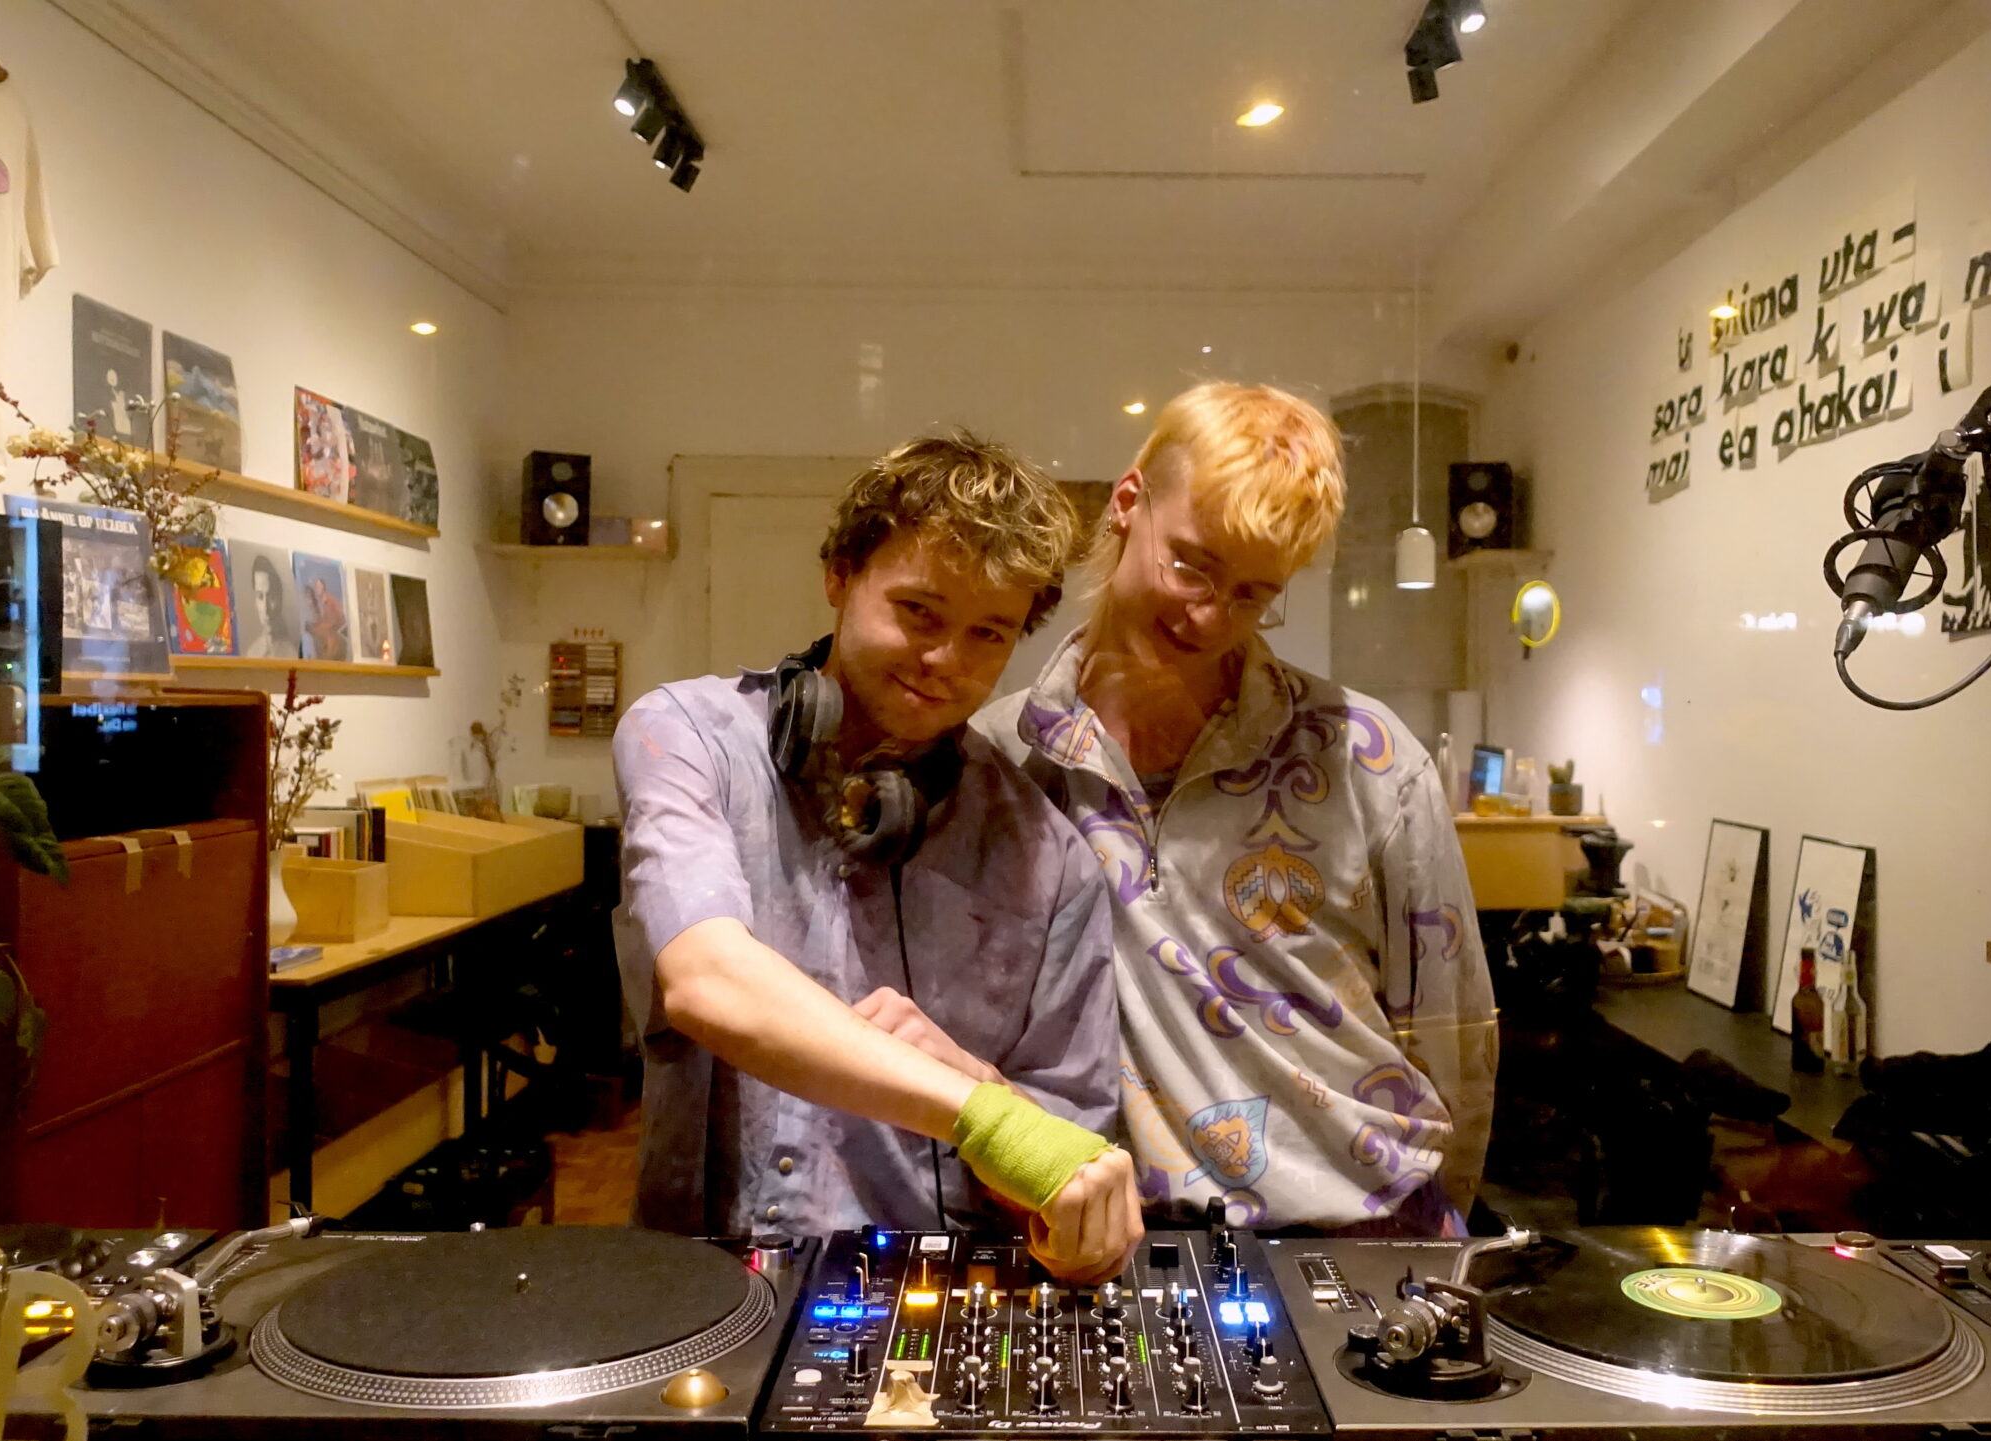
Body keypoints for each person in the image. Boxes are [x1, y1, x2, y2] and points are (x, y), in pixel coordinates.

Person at [614, 432, 1142, 1279]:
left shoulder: (1053, 863)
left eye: (988, 633)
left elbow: (1068, 1174)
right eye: (919, 612)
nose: (945, 662)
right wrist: (984, 1116)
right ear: (840, 575)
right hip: (695, 1285)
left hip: (927, 1293)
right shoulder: (685, 736)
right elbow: (706, 977)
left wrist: (983, 1088)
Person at [977, 382, 1499, 1235]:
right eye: (1192, 565)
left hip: (1361, 1231)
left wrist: (1436, 1243)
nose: (1210, 615)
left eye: (1253, 594)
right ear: (1127, 502)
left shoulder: (1368, 756)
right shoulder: (998, 759)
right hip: (1107, 1242)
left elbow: (1456, 1039)